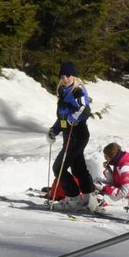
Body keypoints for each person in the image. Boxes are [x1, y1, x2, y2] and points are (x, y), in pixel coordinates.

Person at [46, 61, 93, 206]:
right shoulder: (63, 92)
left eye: (68, 75)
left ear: (74, 76)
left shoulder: (77, 91)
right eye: (62, 75)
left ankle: (73, 198)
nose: (65, 78)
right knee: (78, 168)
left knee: (58, 167)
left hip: (77, 134)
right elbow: (62, 117)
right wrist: (54, 130)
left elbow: (85, 109)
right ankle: (89, 199)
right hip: (69, 135)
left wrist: (73, 118)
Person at [92, 141, 129, 217]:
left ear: (111, 156)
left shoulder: (126, 168)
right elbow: (115, 182)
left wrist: (104, 188)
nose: (105, 159)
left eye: (106, 156)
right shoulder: (119, 163)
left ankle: (98, 202)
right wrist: (108, 169)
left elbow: (124, 192)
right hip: (124, 193)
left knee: (100, 195)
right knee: (97, 184)